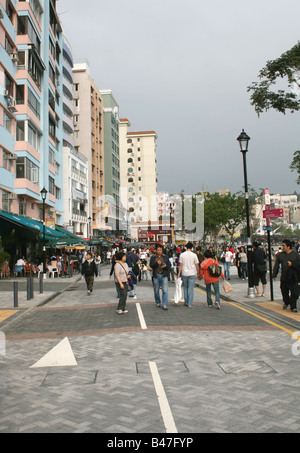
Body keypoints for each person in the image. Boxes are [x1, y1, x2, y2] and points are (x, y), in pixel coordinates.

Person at [273, 239, 300, 312]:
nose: (282, 247)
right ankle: (286, 302)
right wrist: (274, 274)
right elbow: (276, 265)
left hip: (293, 277)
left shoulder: (295, 255)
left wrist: (292, 264)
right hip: (284, 277)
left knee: (294, 293)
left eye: (284, 246)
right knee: (284, 291)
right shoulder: (280, 255)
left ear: (288, 247)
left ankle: (293, 306)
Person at [177, 243, 200, 307]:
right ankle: (190, 303)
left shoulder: (182, 255)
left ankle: (186, 301)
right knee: (191, 288)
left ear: (186, 247)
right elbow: (197, 265)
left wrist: (179, 273)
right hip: (192, 273)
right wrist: (198, 273)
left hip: (184, 273)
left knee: (185, 287)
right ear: (192, 248)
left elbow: (180, 265)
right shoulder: (194, 255)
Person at [149, 244, 171, 310]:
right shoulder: (153, 257)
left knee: (165, 290)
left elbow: (169, 265)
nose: (159, 251)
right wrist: (156, 263)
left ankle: (164, 304)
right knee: (156, 290)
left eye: (160, 250)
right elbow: (151, 265)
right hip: (156, 275)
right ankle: (158, 301)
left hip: (164, 275)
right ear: (156, 250)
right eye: (158, 250)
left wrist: (165, 266)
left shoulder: (165, 257)